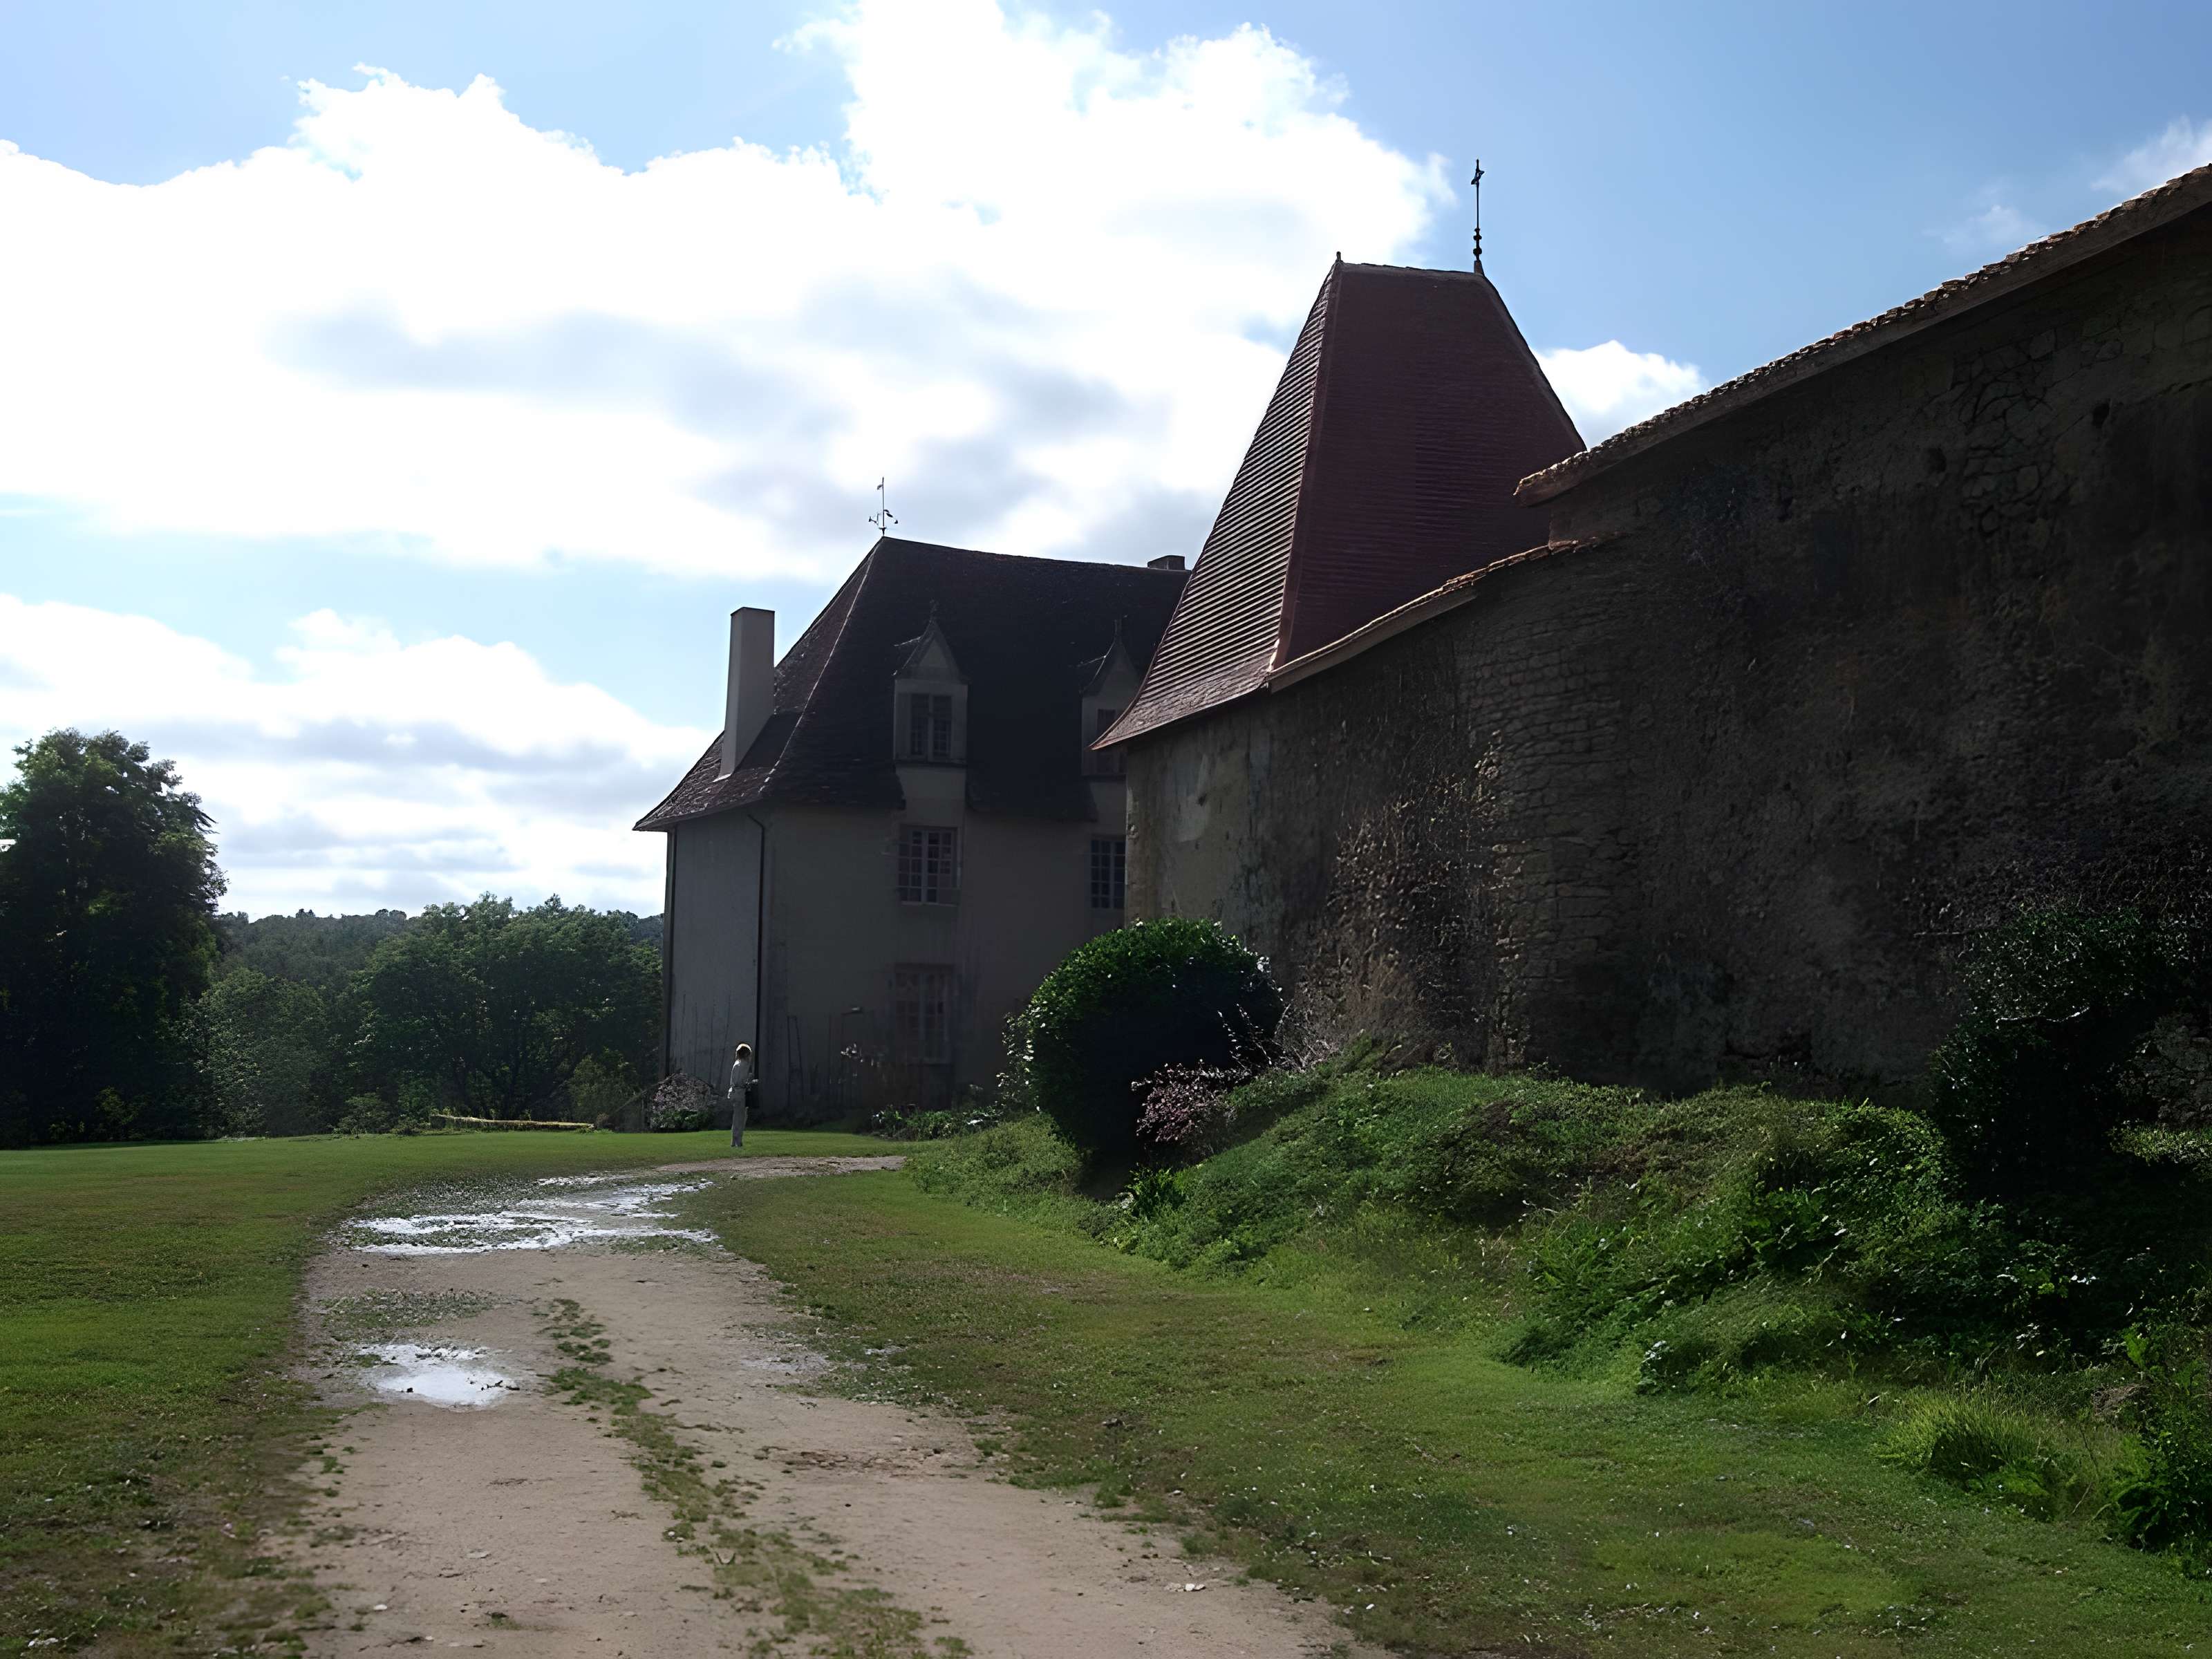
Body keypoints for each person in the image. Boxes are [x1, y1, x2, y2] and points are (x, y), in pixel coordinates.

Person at [727, 1041, 756, 1148]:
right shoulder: (745, 1065)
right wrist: (750, 1081)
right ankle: (738, 1140)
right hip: (740, 1093)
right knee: (741, 1117)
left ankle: (734, 1140)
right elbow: (743, 1081)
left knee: (736, 1117)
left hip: (734, 1092)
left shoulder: (736, 1064)